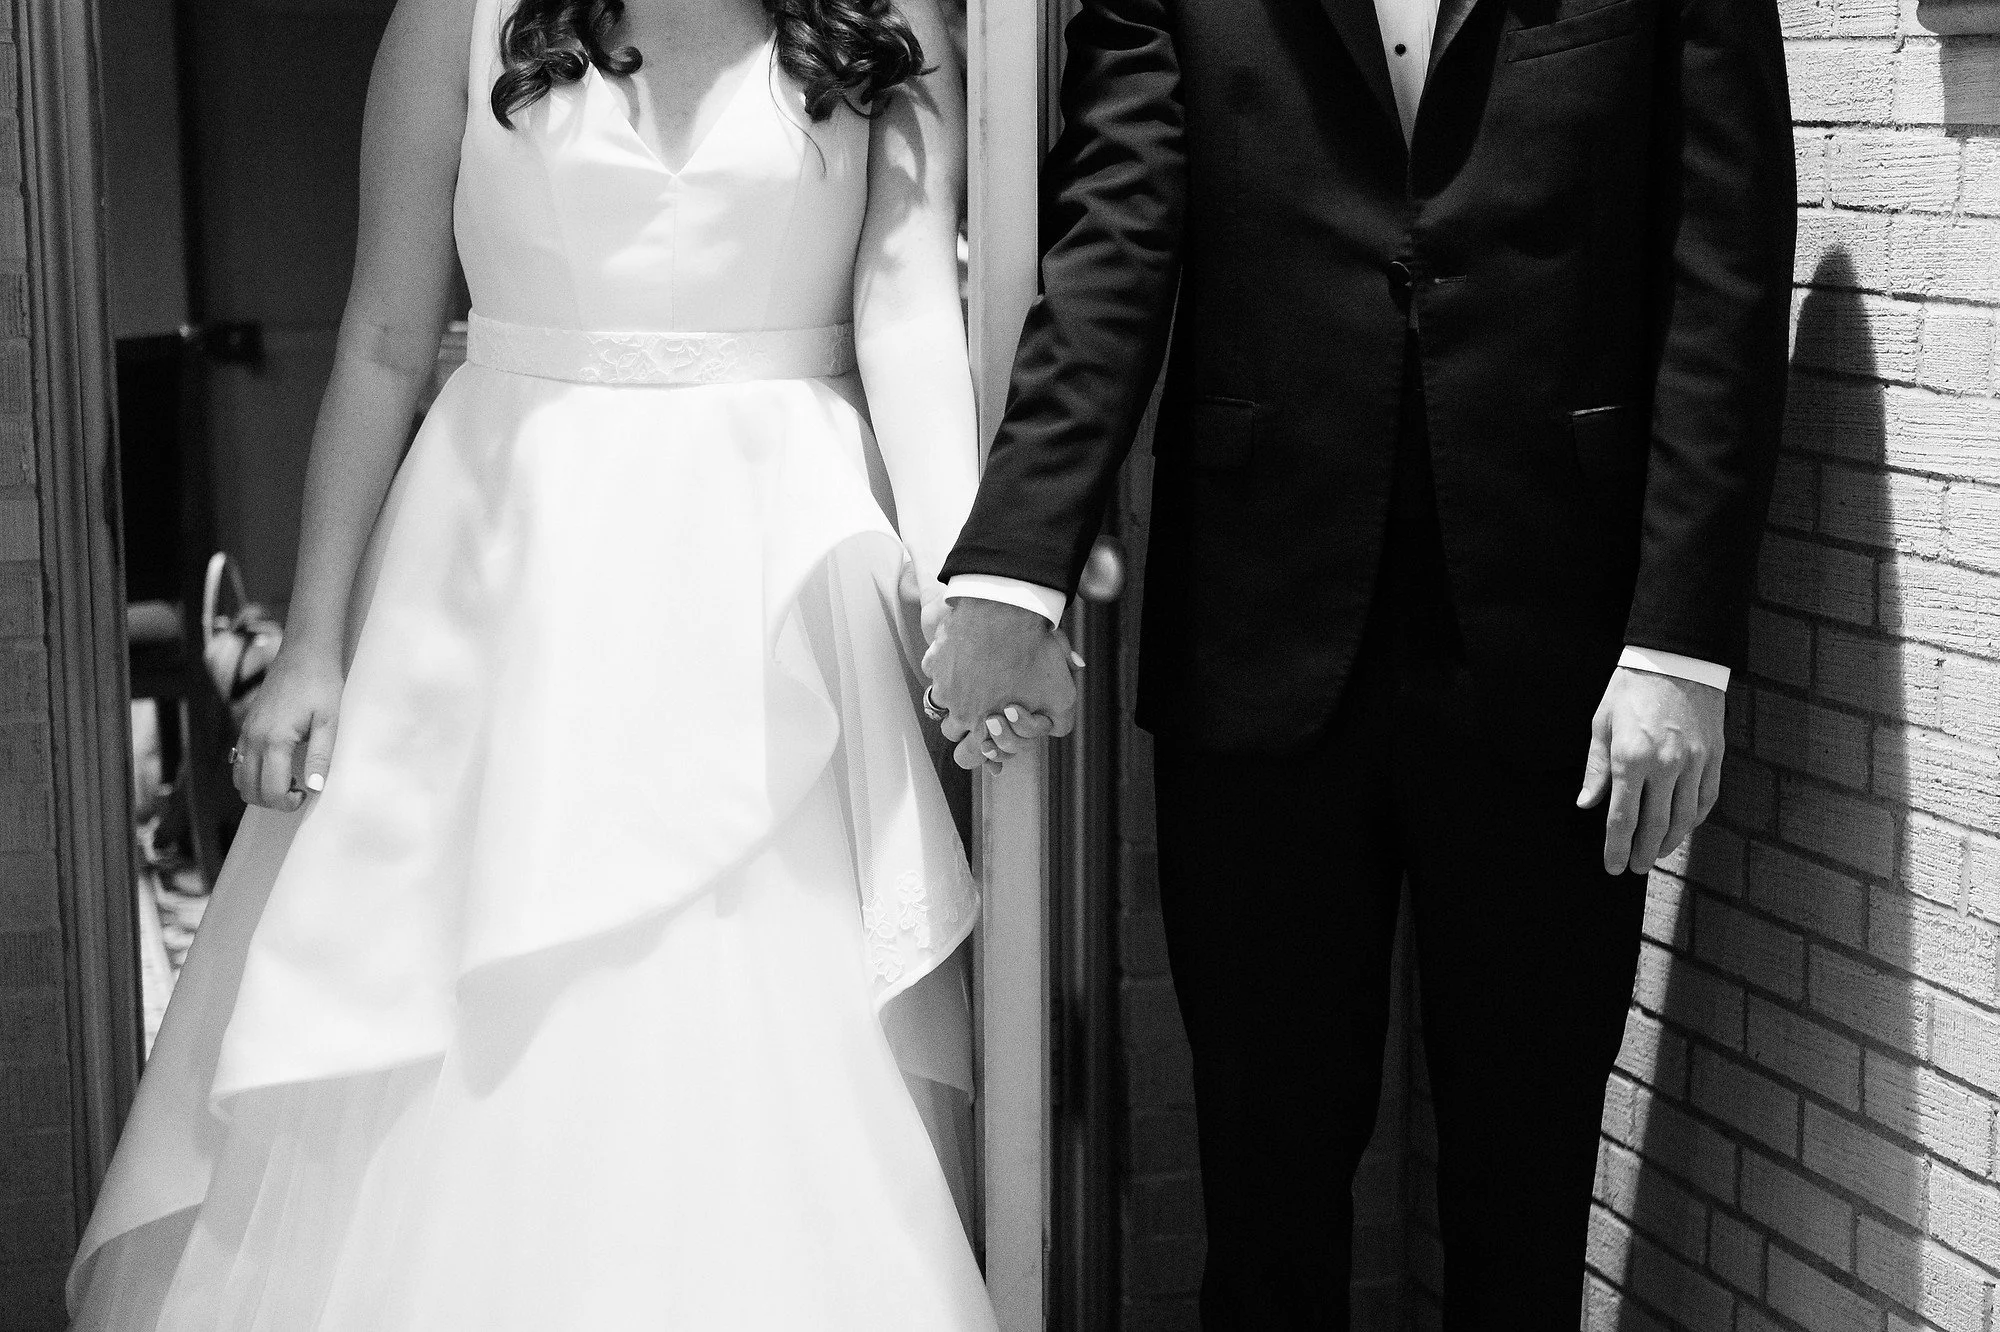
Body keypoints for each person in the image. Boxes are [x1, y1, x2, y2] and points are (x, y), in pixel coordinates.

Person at [69, 0, 999, 1326]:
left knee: (755, 1009)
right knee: (465, 1001)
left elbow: (907, 320)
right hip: (501, 572)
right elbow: (387, 340)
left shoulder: (875, 21)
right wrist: (316, 643)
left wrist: (962, 579)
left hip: (770, 589)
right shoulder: (458, 16)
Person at [926, 0, 1795, 1324]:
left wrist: (1680, 637)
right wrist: (1016, 557)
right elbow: (1115, 232)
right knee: (1264, 1212)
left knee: (1526, 1203)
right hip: (1259, 633)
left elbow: (1724, 258)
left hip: (1560, 648)